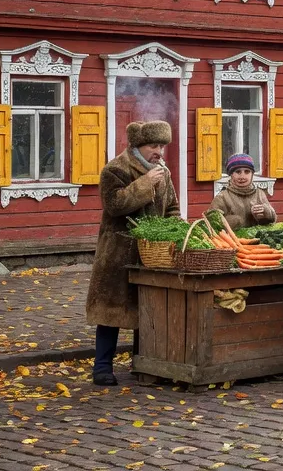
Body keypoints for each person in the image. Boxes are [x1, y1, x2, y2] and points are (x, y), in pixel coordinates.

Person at [86, 121, 179, 386]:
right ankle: (102, 367)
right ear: (138, 146)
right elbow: (114, 205)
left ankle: (142, 364)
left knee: (146, 308)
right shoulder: (115, 169)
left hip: (152, 253)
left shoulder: (164, 172)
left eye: (161, 146)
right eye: (153, 146)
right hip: (117, 253)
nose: (159, 151)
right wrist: (144, 183)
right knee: (110, 311)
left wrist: (174, 231)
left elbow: (172, 207)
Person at [208, 154, 276, 231]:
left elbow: (272, 220)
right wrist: (229, 222)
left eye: (247, 172)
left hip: (259, 240)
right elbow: (211, 224)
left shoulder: (259, 194)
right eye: (238, 172)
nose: (242, 176)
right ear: (231, 174)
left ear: (252, 174)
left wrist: (266, 214)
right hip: (231, 241)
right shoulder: (222, 197)